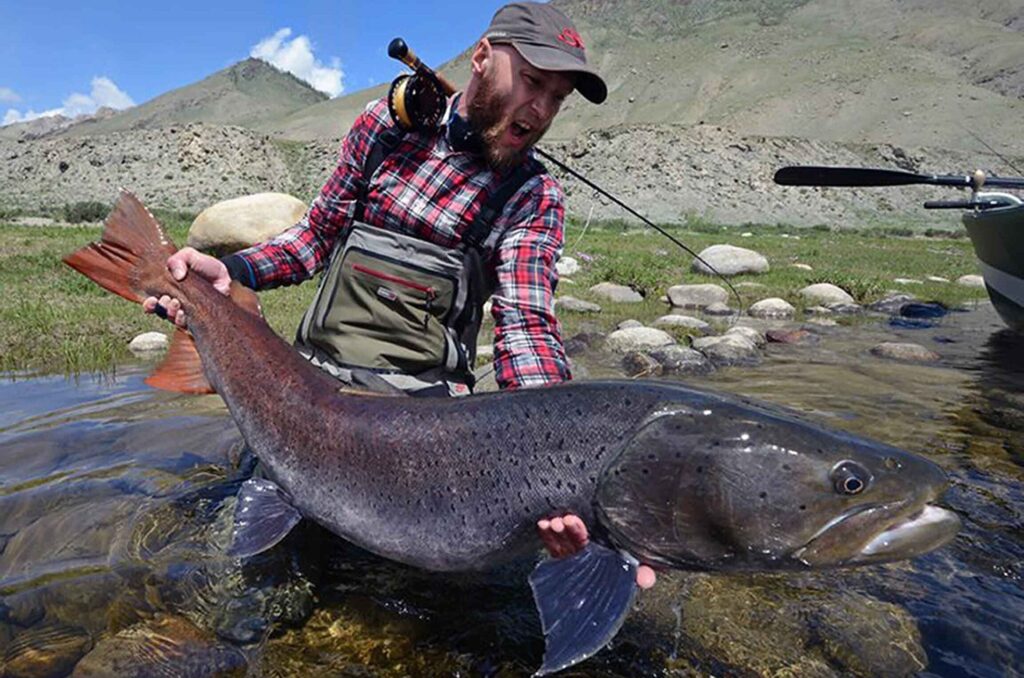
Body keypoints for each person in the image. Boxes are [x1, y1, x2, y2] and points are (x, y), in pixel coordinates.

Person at [144, 2, 655, 589]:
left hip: (424, 438)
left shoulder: (533, 197)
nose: (540, 109)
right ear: (482, 58)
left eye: (557, 98)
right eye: (533, 82)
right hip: (311, 397)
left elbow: (526, 329)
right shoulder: (385, 130)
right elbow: (314, 239)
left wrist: (560, 464)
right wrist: (232, 271)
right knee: (243, 592)